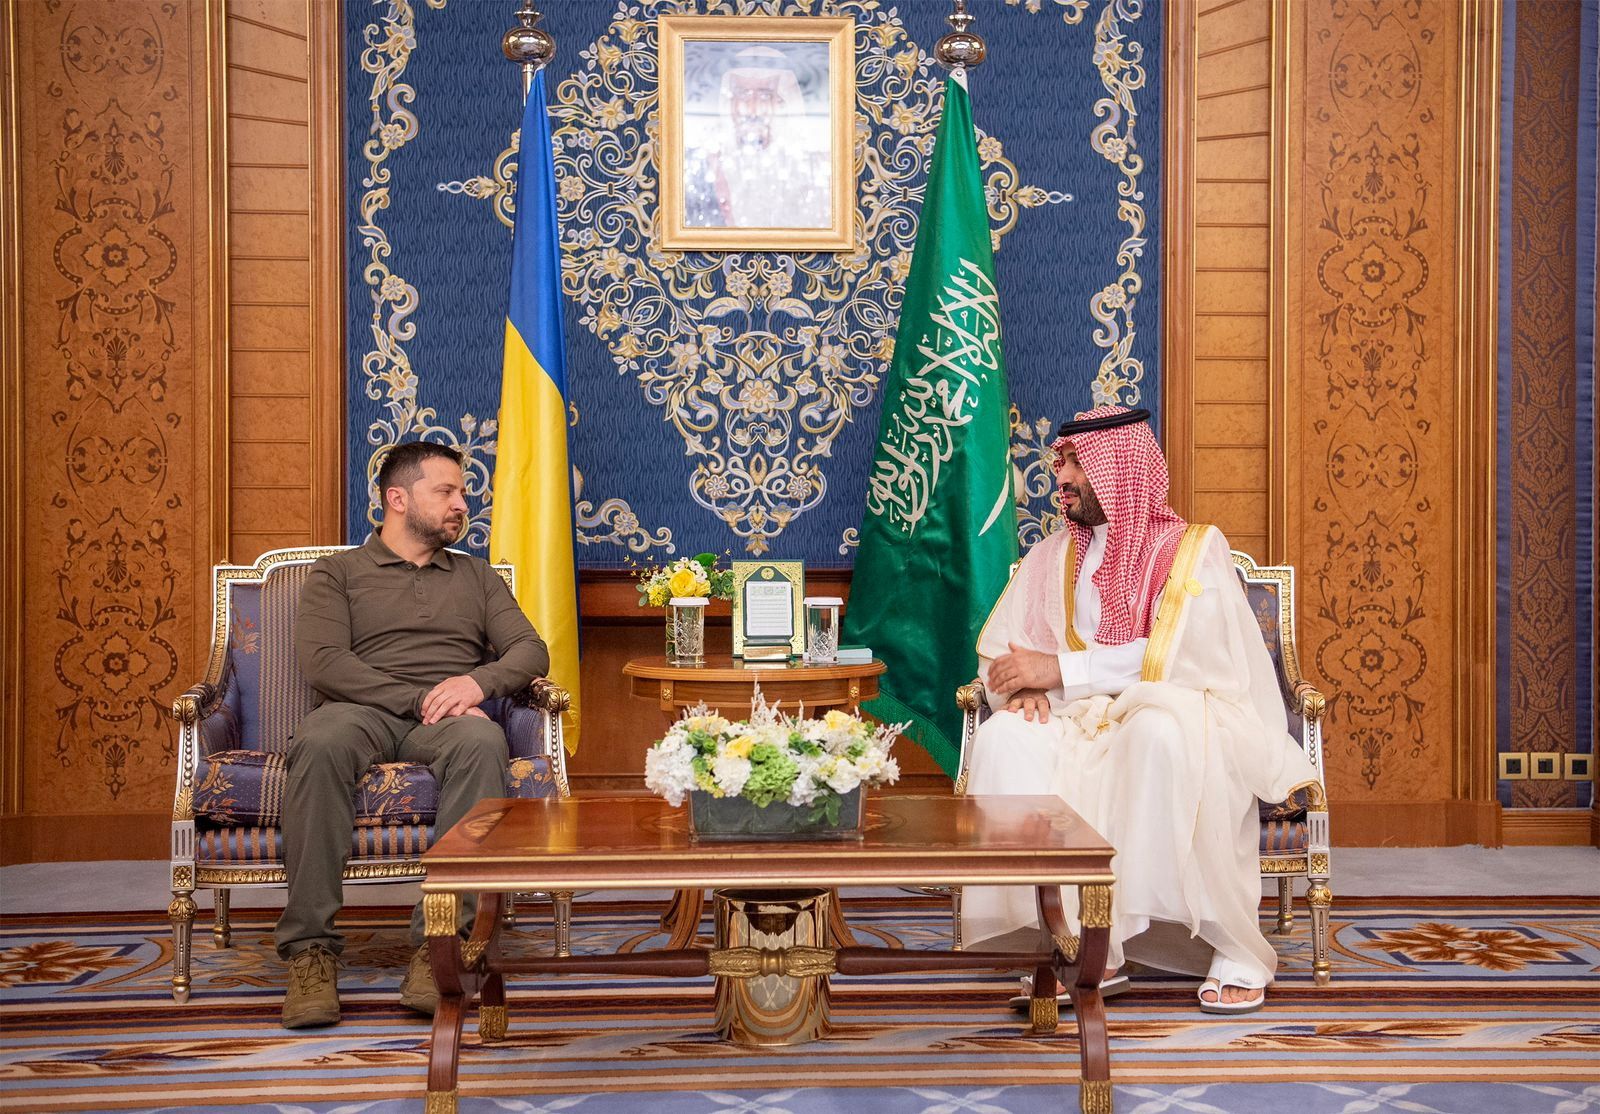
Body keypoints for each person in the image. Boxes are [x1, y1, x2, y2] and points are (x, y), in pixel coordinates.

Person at [962, 405, 1318, 1014]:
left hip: (1186, 714)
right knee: (1005, 740)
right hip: (1081, 720)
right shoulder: (1054, 555)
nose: (1061, 477)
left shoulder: (1192, 552)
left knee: (1156, 732)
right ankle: (1078, 942)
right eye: (1062, 461)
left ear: (1118, 469)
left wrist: (1058, 671)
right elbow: (1004, 651)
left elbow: (1181, 654)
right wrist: (1017, 690)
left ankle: (1230, 945)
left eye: (1075, 462)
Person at [276, 441, 549, 1029]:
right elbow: (323, 661)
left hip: (450, 722)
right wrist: (420, 697)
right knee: (320, 743)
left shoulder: (475, 576)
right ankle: (310, 951)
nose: (461, 504)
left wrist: (477, 685)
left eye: (462, 493)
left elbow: (531, 649)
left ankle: (440, 947)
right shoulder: (339, 572)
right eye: (446, 492)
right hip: (360, 710)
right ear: (397, 499)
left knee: (482, 743)